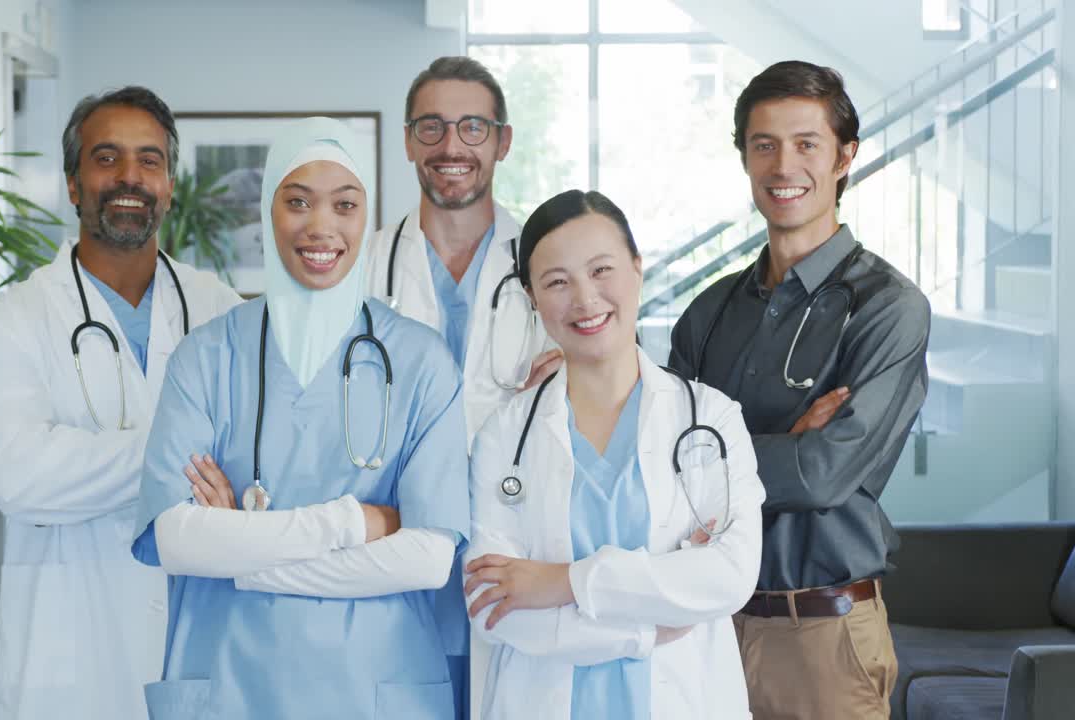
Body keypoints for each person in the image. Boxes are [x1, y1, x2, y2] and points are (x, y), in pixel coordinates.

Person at [131, 117, 470, 719]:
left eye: (345, 204)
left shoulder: (420, 361)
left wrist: (246, 556)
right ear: (268, 211)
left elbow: (426, 558)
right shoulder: (207, 356)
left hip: (375, 687)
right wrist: (353, 521)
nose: (321, 227)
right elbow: (177, 540)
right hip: (230, 684)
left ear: (367, 217)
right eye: (297, 202)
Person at [0, 86, 242, 719]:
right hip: (71, 657)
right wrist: (184, 456)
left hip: (202, 640)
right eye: (106, 157)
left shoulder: (220, 310)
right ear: (72, 183)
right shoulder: (14, 320)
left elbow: (258, 456)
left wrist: (102, 463)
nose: (129, 177)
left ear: (169, 184)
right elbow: (21, 478)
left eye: (149, 160)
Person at [668, 61, 931, 720]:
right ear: (746, 159)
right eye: (765, 145)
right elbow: (660, 466)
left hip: (822, 636)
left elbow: (821, 476)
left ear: (846, 157)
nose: (784, 165)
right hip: (705, 629)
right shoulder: (709, 311)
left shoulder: (887, 309)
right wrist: (784, 444)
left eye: (806, 144)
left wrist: (719, 459)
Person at [464, 189, 765, 719]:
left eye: (601, 270)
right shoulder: (504, 437)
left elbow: (728, 578)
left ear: (636, 269)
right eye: (557, 281)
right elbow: (495, 608)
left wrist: (561, 583)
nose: (584, 298)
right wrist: (646, 630)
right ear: (533, 298)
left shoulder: (710, 420)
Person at [363, 55, 560, 719]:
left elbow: (601, 398)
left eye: (473, 128)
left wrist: (576, 375)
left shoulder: (551, 264)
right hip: (390, 570)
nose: (452, 147)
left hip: (511, 564)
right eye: (433, 128)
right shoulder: (360, 266)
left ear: (503, 141)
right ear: (409, 139)